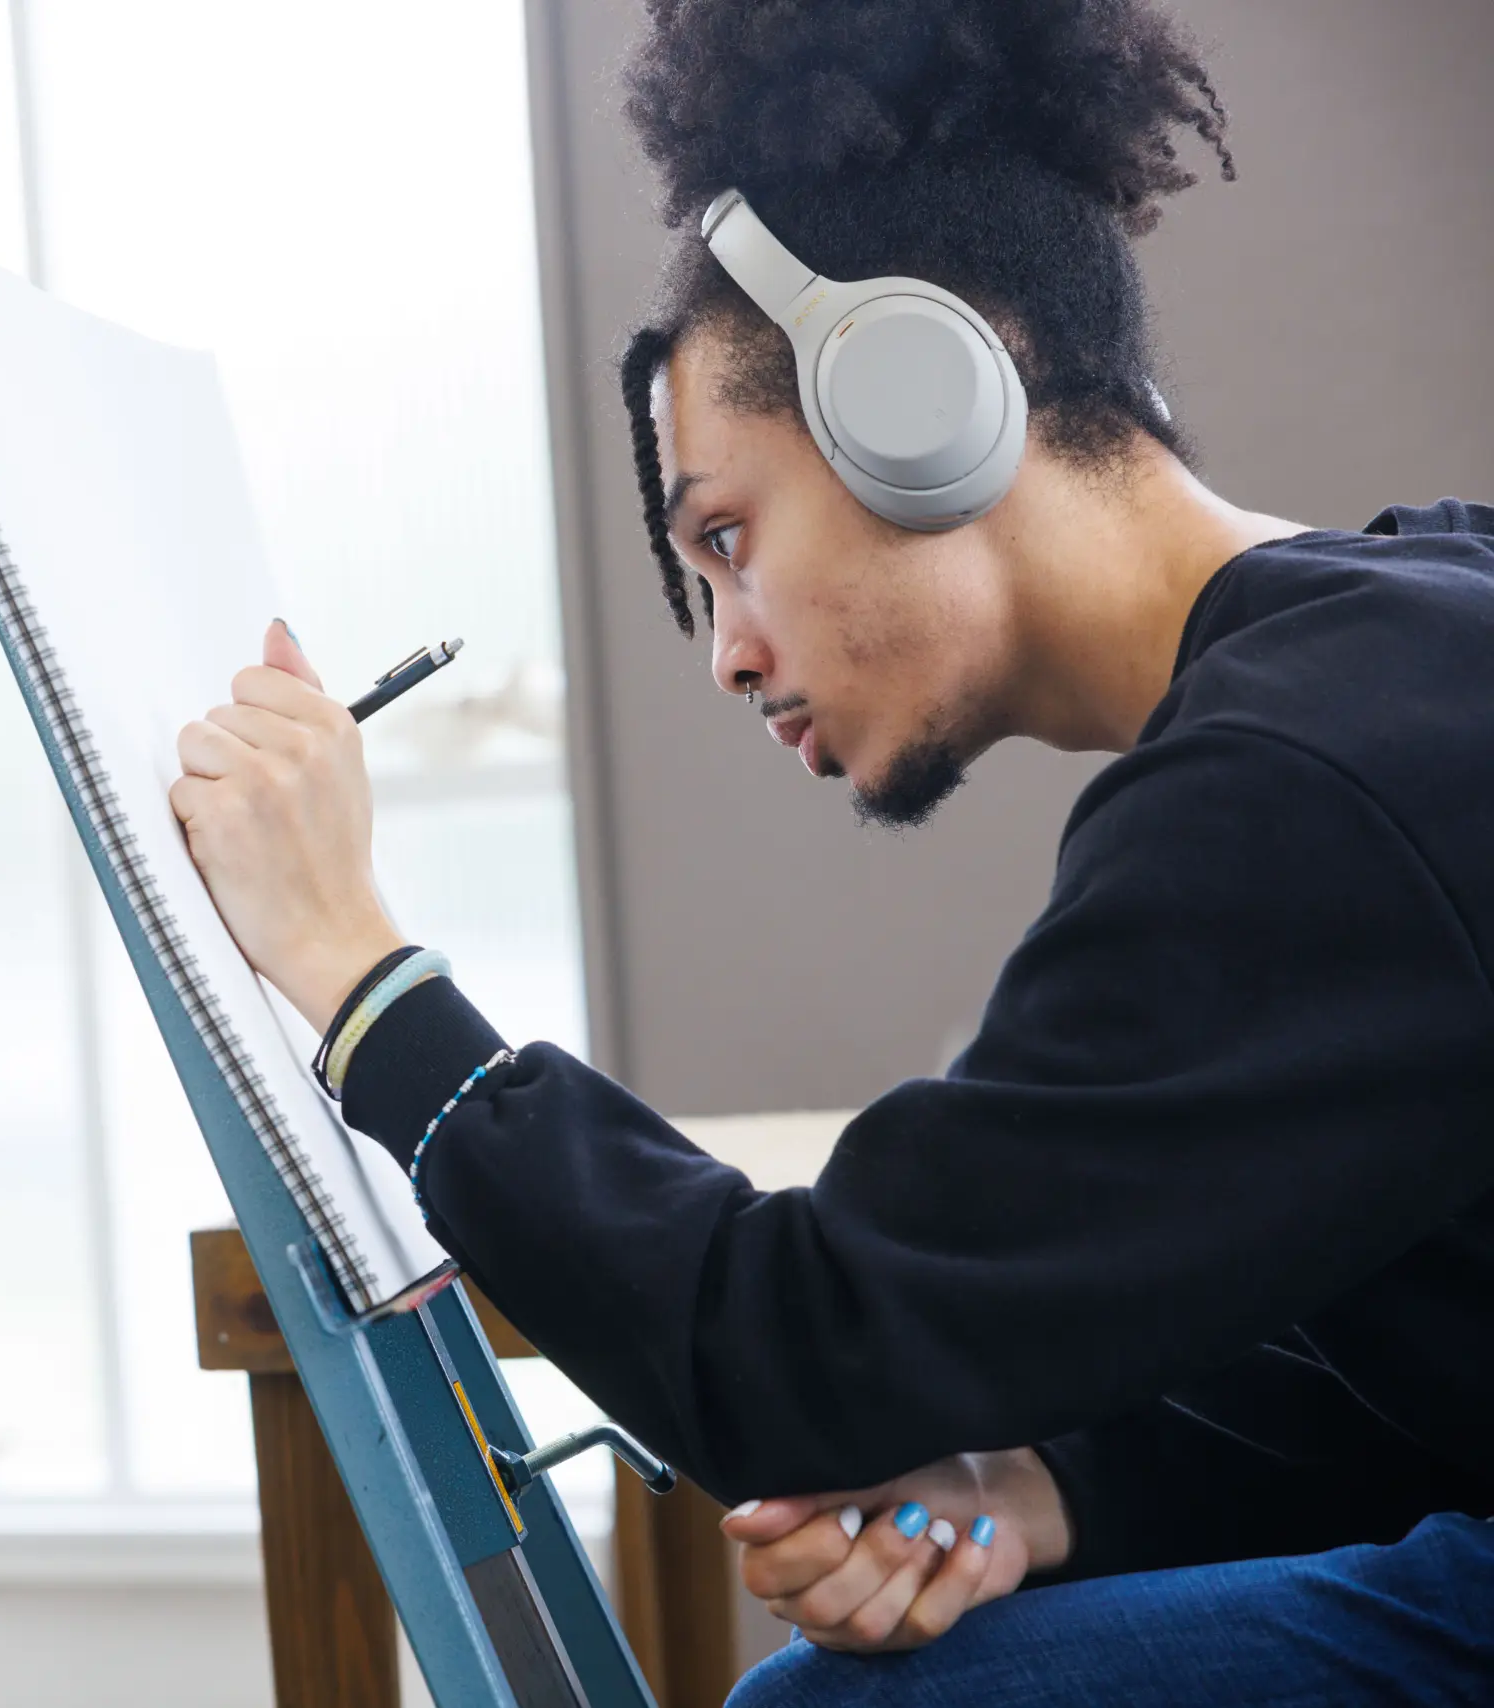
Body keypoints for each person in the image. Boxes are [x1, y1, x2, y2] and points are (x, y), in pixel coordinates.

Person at [168, 2, 1494, 1702]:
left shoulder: (1302, 785)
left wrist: (360, 972)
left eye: (725, 536)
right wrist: (1046, 1487)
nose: (723, 647)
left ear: (920, 392)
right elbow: (1410, 1354)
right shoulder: (1417, 624)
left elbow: (802, 1352)